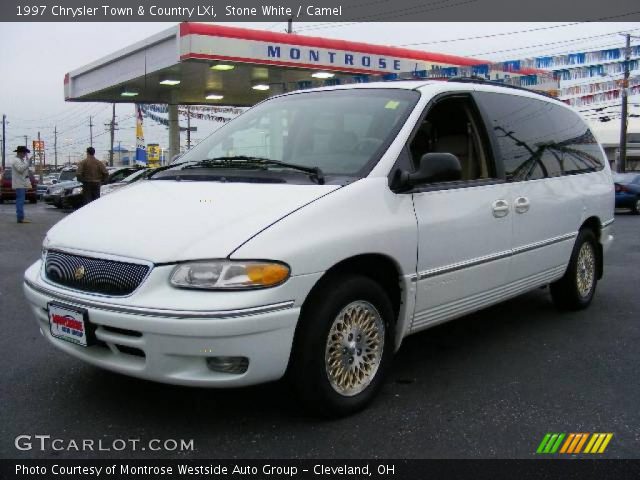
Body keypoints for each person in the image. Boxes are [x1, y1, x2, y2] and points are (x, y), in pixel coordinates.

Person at [11, 146, 32, 224]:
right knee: (20, 201)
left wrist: (28, 184)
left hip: (22, 183)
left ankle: (20, 217)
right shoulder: (16, 160)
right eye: (24, 152)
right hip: (19, 184)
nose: (25, 154)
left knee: (21, 200)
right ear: (20, 152)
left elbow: (24, 173)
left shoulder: (21, 160)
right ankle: (20, 218)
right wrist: (28, 163)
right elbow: (20, 169)